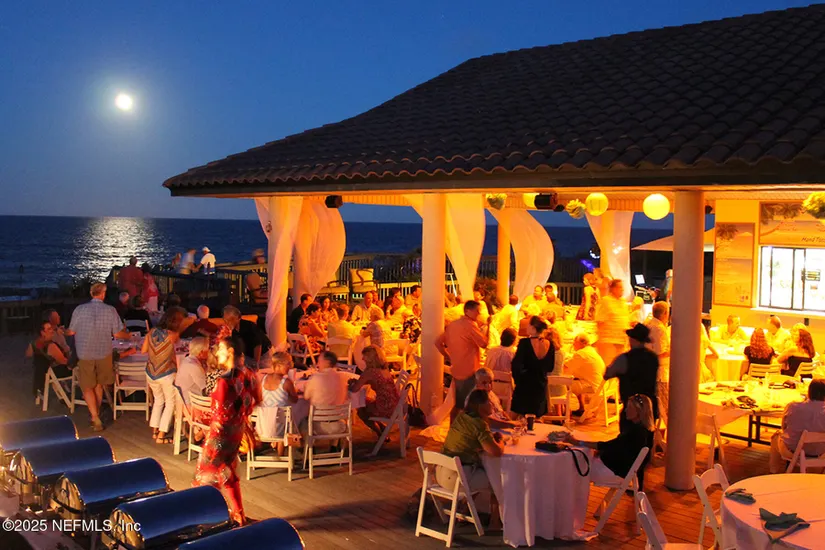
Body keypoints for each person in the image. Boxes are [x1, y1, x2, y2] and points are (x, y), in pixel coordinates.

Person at [193, 336, 260, 525]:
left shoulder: (223, 382)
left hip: (220, 435)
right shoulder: (249, 375)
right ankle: (239, 515)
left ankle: (204, 518)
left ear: (231, 352)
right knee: (228, 472)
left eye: (221, 349)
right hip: (236, 431)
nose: (218, 352)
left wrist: (205, 421)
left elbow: (220, 414)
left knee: (205, 474)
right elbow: (256, 400)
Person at [68, 282, 129, 431]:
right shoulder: (110, 310)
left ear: (91, 293)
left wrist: (63, 332)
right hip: (104, 352)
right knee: (99, 384)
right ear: (103, 294)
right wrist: (129, 336)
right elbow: (117, 334)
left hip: (84, 352)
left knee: (87, 386)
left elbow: (71, 331)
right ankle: (96, 413)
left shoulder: (80, 309)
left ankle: (95, 416)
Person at [437, 389, 504, 522]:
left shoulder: (462, 417)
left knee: (482, 471)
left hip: (441, 474)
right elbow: (496, 452)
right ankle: (495, 522)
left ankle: (466, 507)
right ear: (480, 406)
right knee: (498, 480)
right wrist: (501, 441)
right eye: (489, 402)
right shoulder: (479, 424)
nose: (492, 404)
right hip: (457, 479)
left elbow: (470, 439)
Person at [566, 393, 655, 484]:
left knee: (576, 466)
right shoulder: (644, 430)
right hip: (623, 471)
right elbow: (617, 447)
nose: (625, 410)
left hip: (614, 472)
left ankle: (573, 492)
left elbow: (607, 445)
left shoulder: (636, 432)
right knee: (582, 462)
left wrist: (578, 442)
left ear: (639, 411)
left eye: (629, 408)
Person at [435, 301, 489, 416]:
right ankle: (463, 426)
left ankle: (453, 426)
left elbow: (438, 343)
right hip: (469, 370)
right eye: (477, 311)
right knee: (468, 405)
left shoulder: (453, 324)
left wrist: (448, 356)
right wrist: (488, 326)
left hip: (456, 369)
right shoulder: (470, 325)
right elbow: (484, 343)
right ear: (467, 311)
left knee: (458, 403)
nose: (479, 313)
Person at [143, 306, 186, 444]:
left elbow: (144, 350)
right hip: (166, 373)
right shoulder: (173, 335)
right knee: (170, 402)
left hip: (151, 372)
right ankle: (161, 435)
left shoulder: (152, 331)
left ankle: (155, 431)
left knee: (158, 400)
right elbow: (174, 351)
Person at [769, 379, 825, 473]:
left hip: (792, 452)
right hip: (820, 454)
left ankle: (773, 471)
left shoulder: (793, 406)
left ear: (809, 391)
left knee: (776, 436)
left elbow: (783, 427)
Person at [349, 346, 400, 438]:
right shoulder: (384, 368)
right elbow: (374, 381)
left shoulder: (370, 372)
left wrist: (350, 384)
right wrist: (359, 381)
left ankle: (380, 433)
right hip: (396, 405)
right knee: (364, 401)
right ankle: (382, 427)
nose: (362, 359)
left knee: (361, 410)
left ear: (370, 358)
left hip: (385, 408)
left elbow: (354, 389)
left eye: (364, 356)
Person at [510, 316, 554, 417]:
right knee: (536, 418)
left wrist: (517, 380)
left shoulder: (524, 343)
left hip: (525, 385)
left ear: (533, 328)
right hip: (540, 385)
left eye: (528, 325)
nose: (526, 327)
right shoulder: (549, 344)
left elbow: (516, 365)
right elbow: (550, 367)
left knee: (515, 415)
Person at [255, 352, 298, 454]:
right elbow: (295, 400)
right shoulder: (286, 382)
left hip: (263, 425)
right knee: (286, 418)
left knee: (280, 415)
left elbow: (259, 398)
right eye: (288, 364)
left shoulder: (264, 379)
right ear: (278, 365)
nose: (290, 366)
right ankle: (280, 453)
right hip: (280, 427)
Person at [26, 320, 71, 400]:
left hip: (43, 373)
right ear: (42, 332)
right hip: (58, 371)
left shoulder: (34, 344)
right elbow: (64, 361)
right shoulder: (50, 346)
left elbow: (28, 354)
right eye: (49, 329)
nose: (52, 331)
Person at [645, 301, 670, 423]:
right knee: (663, 404)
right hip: (659, 371)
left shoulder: (648, 323)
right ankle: (665, 429)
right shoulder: (659, 329)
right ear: (665, 314)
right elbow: (660, 353)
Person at [595, 278, 630, 367]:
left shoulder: (623, 302)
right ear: (613, 289)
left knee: (620, 368)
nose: (622, 289)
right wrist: (600, 339)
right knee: (608, 366)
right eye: (620, 287)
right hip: (609, 341)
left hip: (621, 341)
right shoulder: (606, 301)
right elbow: (600, 321)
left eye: (622, 287)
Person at [564, 333, 605, 406]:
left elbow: (566, 367)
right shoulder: (591, 351)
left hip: (592, 386)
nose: (573, 344)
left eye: (574, 342)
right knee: (576, 380)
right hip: (599, 384)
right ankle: (581, 406)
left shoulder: (581, 353)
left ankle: (565, 409)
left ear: (581, 343)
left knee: (562, 384)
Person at [175, 336, 208, 407]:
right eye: (208, 350)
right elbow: (206, 388)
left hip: (185, 399)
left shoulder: (187, 360)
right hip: (191, 403)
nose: (209, 352)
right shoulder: (194, 366)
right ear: (201, 352)